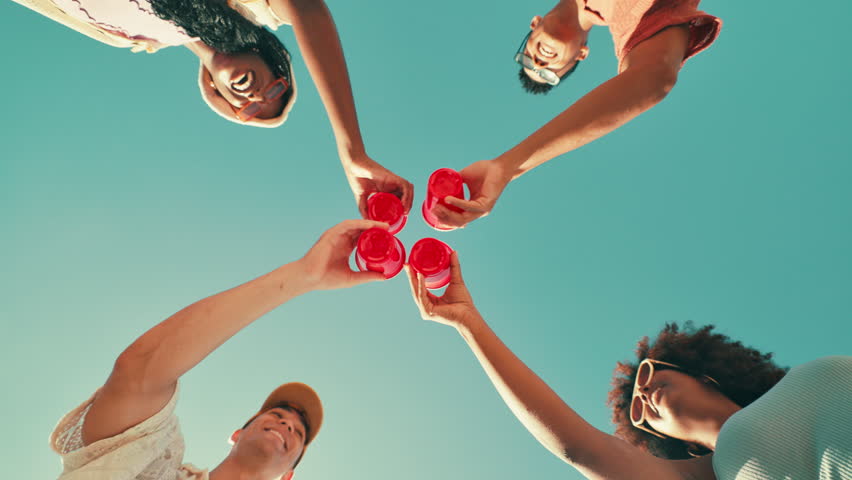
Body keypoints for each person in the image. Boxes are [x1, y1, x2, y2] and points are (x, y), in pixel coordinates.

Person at [405, 256, 852, 479]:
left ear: (697, 370)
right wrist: (469, 323)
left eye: (646, 375)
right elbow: (581, 448)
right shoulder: (708, 475)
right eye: (637, 414)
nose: (642, 397)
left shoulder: (800, 383)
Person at [50, 219, 390, 479]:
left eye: (297, 433)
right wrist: (303, 276)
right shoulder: (154, 468)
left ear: (288, 475)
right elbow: (138, 373)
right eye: (277, 416)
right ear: (237, 434)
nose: (287, 425)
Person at [11, 0, 413, 216]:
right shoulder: (239, 4)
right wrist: (351, 150)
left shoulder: (128, 36)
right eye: (276, 88)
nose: (256, 98)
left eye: (253, 111)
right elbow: (305, 7)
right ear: (267, 53)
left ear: (217, 95)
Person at [430, 0, 722, 230]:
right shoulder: (633, 21)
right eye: (548, 72)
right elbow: (653, 77)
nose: (540, 61)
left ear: (535, 24)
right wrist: (508, 166)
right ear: (580, 54)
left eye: (529, 58)